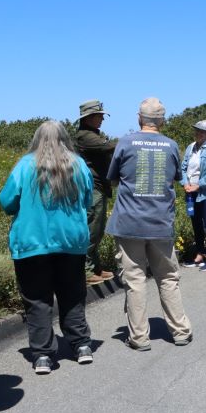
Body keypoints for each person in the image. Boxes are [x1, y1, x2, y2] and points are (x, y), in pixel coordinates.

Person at [0, 120, 95, 374]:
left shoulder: (24, 165)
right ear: (65, 138)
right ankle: (82, 345)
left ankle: (42, 355)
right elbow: (88, 199)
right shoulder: (78, 164)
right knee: (72, 294)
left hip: (32, 243)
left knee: (37, 299)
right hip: (71, 241)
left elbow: (7, 202)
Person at [106, 98, 193, 351]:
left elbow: (113, 179)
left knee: (134, 280)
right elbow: (176, 177)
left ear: (138, 118)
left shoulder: (125, 142)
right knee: (168, 278)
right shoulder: (171, 146)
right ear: (162, 121)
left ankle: (139, 337)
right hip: (160, 223)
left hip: (128, 222)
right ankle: (180, 330)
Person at [74, 100, 117, 285]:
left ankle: (95, 267)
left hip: (98, 187)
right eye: (98, 116)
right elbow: (110, 147)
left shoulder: (92, 135)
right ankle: (87, 269)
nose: (101, 119)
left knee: (96, 229)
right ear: (88, 118)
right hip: (93, 188)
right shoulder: (85, 136)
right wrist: (134, 140)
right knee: (93, 229)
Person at [182, 120, 206, 271]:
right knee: (196, 224)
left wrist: (198, 185)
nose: (198, 134)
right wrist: (185, 183)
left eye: (201, 132)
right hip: (190, 193)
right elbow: (183, 167)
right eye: (197, 131)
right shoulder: (190, 147)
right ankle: (200, 252)